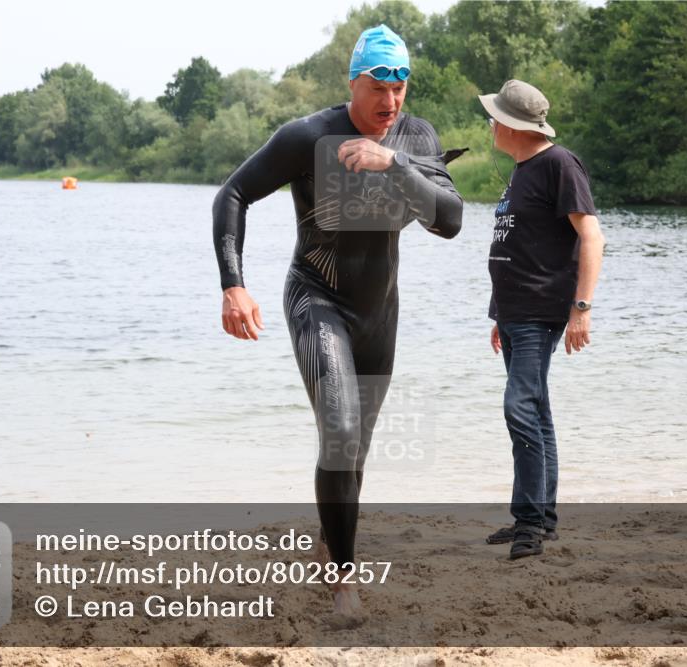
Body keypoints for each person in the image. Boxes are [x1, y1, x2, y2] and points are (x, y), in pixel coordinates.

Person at [212, 24, 463, 619]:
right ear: (353, 82)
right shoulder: (309, 136)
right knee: (341, 430)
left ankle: (330, 536)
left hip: (380, 312)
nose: (391, 101)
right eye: (379, 86)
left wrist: (394, 163)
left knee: (358, 447)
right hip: (316, 299)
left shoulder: (415, 137)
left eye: (401, 87)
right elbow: (233, 194)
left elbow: (450, 220)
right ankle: (345, 585)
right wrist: (233, 284)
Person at [478, 80, 605, 560]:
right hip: (514, 314)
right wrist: (500, 314)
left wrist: (581, 308)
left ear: (512, 125)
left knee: (520, 409)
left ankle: (529, 526)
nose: (491, 124)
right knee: (536, 410)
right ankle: (540, 518)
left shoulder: (558, 164)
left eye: (495, 117)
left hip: (540, 313)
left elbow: (592, 237)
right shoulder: (522, 169)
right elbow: (520, 246)